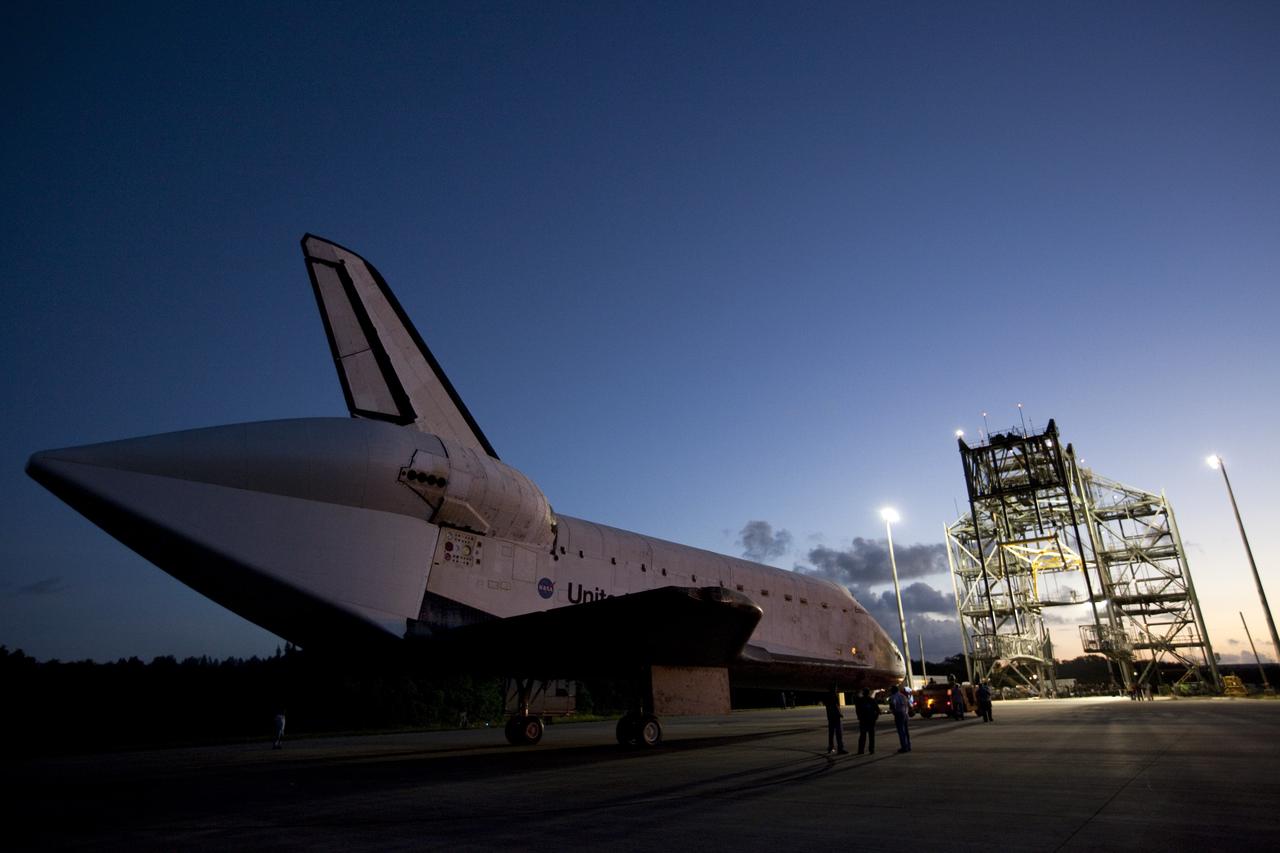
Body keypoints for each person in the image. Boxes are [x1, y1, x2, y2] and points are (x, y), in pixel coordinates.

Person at [853, 688, 880, 754]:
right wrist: (875, 718)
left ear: (863, 693)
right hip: (871, 720)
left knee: (862, 736)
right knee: (871, 736)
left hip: (863, 720)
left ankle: (861, 750)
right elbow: (878, 710)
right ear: (868, 693)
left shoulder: (860, 701)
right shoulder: (872, 700)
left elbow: (857, 710)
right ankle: (871, 749)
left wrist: (859, 717)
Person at [823, 689, 848, 754]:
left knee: (831, 733)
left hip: (830, 717)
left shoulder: (827, 696)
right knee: (839, 733)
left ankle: (830, 747)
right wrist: (839, 713)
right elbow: (836, 705)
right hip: (836, 717)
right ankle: (840, 748)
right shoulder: (834, 695)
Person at [888, 685, 911, 753]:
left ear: (893, 690)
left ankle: (904, 747)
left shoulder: (893, 696)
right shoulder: (903, 696)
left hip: (899, 714)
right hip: (905, 714)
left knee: (901, 731)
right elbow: (908, 704)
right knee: (906, 731)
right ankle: (908, 746)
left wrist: (893, 711)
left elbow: (892, 705)